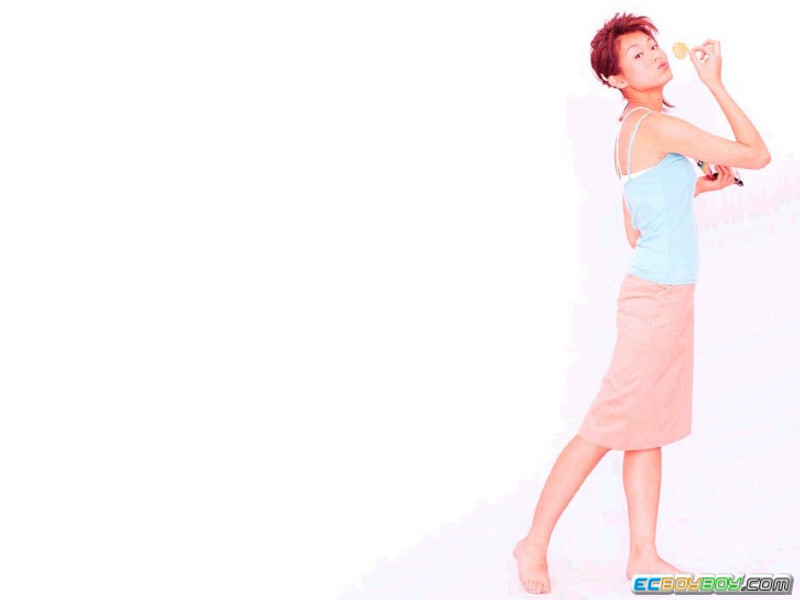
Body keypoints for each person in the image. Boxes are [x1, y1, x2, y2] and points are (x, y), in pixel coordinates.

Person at [512, 13, 770, 595]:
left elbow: (637, 231)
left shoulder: (635, 130)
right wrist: (715, 83)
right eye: (636, 54)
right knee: (603, 428)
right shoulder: (656, 127)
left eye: (651, 45)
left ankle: (643, 557)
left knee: (645, 429)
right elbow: (757, 154)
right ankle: (533, 543)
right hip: (654, 303)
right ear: (615, 79)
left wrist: (697, 186)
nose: (653, 54)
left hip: (666, 298)